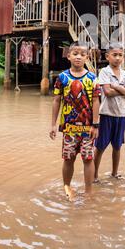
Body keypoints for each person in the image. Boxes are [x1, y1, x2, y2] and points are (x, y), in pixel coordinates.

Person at [49, 42, 100, 200]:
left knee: (88, 158)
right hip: (69, 128)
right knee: (68, 158)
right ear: (68, 56)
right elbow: (57, 100)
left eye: (82, 54)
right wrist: (52, 124)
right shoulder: (62, 78)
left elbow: (96, 102)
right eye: (75, 53)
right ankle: (67, 187)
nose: (78, 57)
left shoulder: (92, 78)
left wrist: (95, 125)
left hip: (87, 129)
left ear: (87, 57)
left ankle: (89, 191)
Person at [94, 43, 125, 182]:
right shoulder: (104, 72)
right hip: (106, 114)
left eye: (120, 55)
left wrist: (116, 86)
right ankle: (94, 176)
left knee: (117, 147)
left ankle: (114, 173)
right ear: (107, 56)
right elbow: (107, 92)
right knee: (100, 147)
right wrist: (122, 90)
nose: (117, 58)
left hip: (121, 115)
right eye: (114, 55)